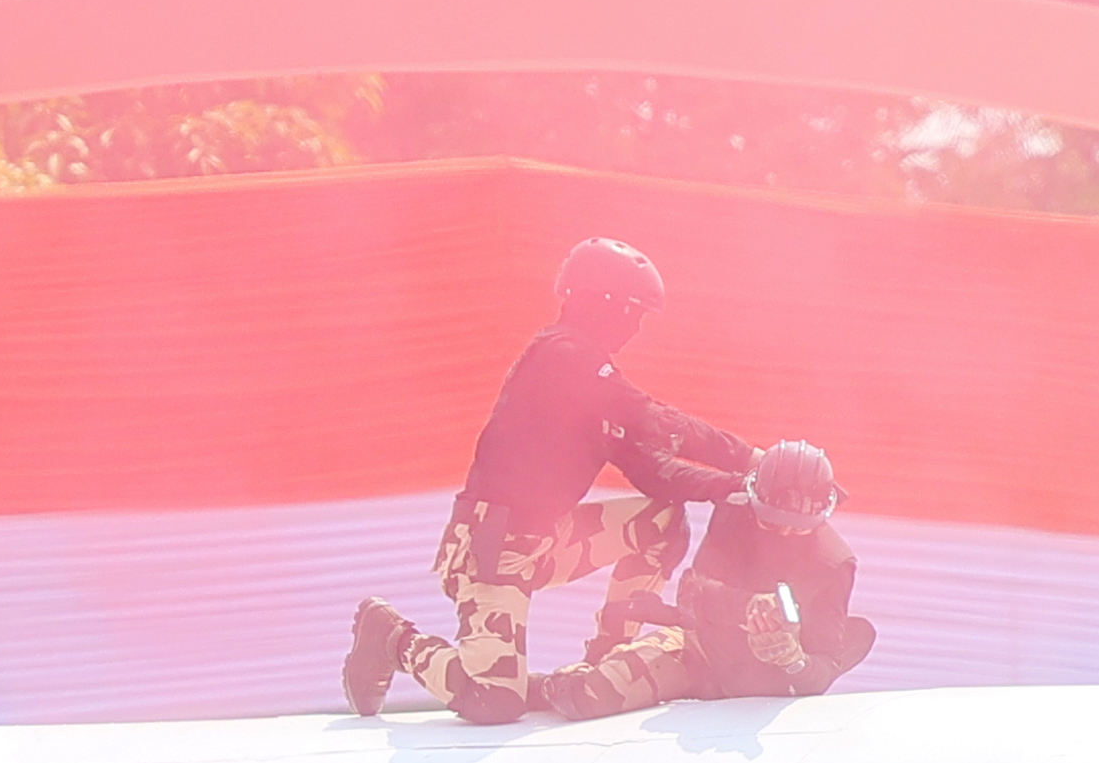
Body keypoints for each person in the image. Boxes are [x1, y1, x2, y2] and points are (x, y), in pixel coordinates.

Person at [344, 237, 754, 727]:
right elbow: (649, 418)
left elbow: (655, 472)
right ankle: (390, 635)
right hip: (490, 549)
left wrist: (733, 486)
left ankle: (607, 659)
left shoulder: (589, 380)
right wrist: (750, 459)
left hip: (542, 539)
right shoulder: (562, 356)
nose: (638, 326)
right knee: (493, 702)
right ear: (605, 303)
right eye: (634, 311)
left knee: (662, 517)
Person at [599, 438, 875, 704]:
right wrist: (748, 606)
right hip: (698, 652)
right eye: (771, 523)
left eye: (800, 527)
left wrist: (791, 659)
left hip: (761, 683)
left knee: (861, 634)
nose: (786, 533)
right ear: (753, 501)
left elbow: (823, 669)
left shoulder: (834, 563)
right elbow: (693, 592)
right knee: (595, 693)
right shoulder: (733, 512)